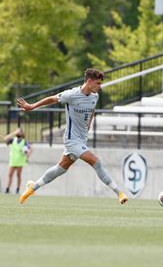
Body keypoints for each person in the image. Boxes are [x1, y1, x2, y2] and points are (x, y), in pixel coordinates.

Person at [16, 68, 128, 204]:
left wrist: (89, 125)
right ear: (89, 81)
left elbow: (92, 110)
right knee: (96, 161)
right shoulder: (71, 94)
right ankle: (119, 193)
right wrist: (31, 106)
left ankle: (33, 187)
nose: (100, 86)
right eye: (98, 83)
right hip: (71, 140)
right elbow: (52, 98)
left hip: (81, 140)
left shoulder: (95, 96)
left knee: (60, 169)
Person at [4, 127, 31, 194]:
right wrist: (13, 133)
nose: (18, 132)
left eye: (19, 131)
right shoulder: (13, 140)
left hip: (20, 161)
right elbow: (5, 138)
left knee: (18, 175)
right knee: (10, 175)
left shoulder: (24, 141)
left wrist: (28, 155)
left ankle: (17, 189)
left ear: (22, 133)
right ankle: (7, 189)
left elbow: (29, 149)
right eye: (17, 131)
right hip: (13, 160)